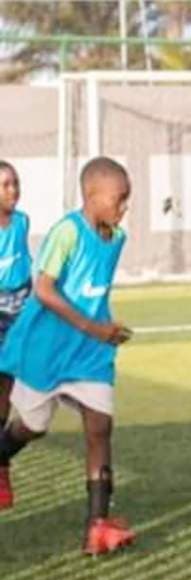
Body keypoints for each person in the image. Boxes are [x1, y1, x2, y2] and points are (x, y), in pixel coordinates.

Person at [0, 157, 136, 555]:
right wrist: (93, 326)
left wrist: (102, 330)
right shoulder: (66, 233)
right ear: (92, 195)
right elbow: (44, 290)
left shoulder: (117, 238)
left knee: (100, 427)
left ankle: (98, 526)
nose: (124, 206)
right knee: (33, 425)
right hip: (48, 351)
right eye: (119, 198)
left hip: (90, 355)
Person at [0, 161, 32, 429]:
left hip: (20, 306)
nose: (13, 190)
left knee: (9, 374)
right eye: (5, 185)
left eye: (16, 183)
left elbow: (22, 260)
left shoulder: (22, 221)